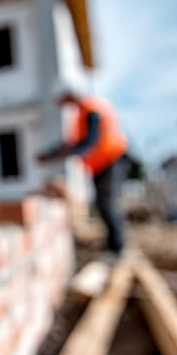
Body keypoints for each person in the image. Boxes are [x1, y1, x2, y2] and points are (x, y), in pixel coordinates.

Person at [38, 84, 130, 254]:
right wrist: (54, 153)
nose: (63, 104)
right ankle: (114, 245)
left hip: (111, 159)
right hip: (102, 163)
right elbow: (76, 142)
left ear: (70, 95)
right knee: (103, 203)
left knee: (107, 203)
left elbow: (88, 143)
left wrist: (58, 154)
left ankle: (118, 248)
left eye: (63, 100)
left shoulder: (91, 109)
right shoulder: (82, 112)